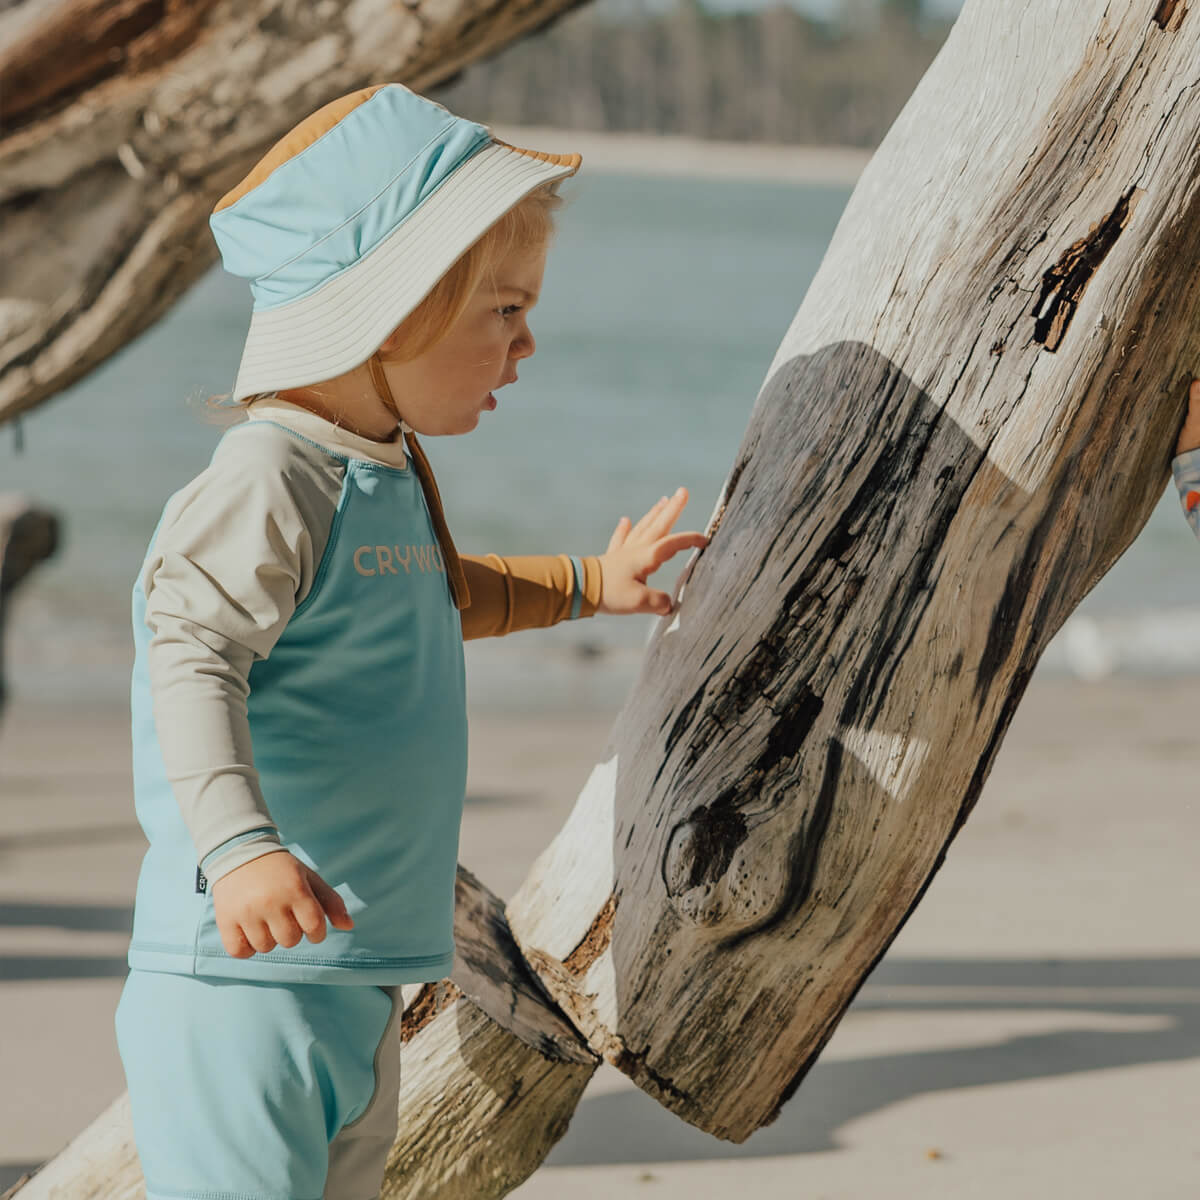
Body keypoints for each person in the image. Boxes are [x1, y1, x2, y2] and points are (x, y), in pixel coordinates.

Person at [113, 82, 709, 1200]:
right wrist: (238, 849)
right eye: (503, 310)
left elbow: (441, 592)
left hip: (355, 971)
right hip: (243, 978)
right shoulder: (270, 474)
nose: (527, 342)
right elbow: (187, 655)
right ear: (387, 310)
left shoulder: (380, 471)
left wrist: (591, 583)